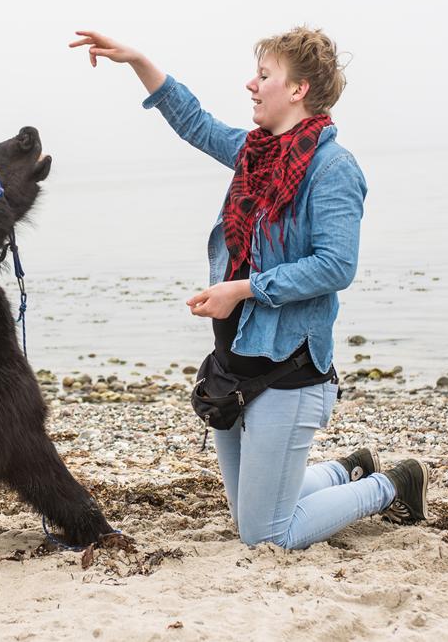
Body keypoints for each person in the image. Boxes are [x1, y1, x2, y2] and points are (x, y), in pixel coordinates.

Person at [70, 28, 429, 549]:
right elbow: (194, 123)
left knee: (266, 534)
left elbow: (335, 267)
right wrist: (138, 62)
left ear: (299, 89)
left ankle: (390, 485)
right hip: (236, 360)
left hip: (291, 368)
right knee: (250, 515)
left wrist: (242, 289)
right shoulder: (253, 154)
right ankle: (344, 470)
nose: (250, 85)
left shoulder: (332, 168)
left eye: (264, 76)